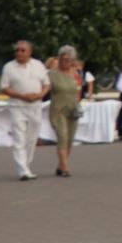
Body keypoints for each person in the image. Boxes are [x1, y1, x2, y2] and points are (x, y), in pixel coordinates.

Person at [0, 39, 50, 182]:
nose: (19, 53)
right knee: (19, 137)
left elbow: (46, 84)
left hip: (35, 105)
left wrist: (40, 94)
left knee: (32, 137)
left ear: (30, 52)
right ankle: (22, 170)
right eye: (17, 50)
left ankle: (26, 165)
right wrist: (22, 95)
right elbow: (4, 88)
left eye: (23, 50)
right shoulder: (9, 67)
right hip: (17, 106)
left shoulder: (38, 65)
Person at [46, 46, 86, 177]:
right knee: (62, 136)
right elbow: (44, 89)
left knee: (69, 139)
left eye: (68, 60)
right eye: (62, 59)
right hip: (58, 110)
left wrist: (78, 104)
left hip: (72, 110)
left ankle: (60, 165)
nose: (65, 62)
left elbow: (79, 91)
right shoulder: (52, 74)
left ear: (72, 60)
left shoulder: (75, 74)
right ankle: (65, 168)